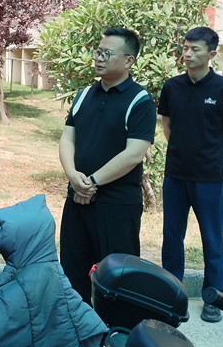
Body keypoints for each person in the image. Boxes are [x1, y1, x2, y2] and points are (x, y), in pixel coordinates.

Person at [58, 27, 157, 304]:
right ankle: (78, 326)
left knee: (118, 280)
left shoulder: (139, 100)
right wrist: (73, 176)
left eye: (107, 54)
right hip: (77, 200)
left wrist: (91, 182)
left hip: (117, 205)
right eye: (97, 52)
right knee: (73, 273)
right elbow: (67, 138)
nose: (99, 58)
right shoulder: (83, 96)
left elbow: (134, 154)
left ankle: (116, 330)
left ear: (128, 61)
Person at [159, 26, 223, 323]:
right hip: (176, 175)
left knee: (212, 239)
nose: (188, 54)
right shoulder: (172, 86)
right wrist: (183, 153)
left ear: (211, 54)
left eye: (195, 49)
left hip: (209, 179)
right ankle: (171, 294)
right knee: (172, 237)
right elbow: (167, 125)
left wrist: (215, 162)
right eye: (185, 48)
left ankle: (214, 298)